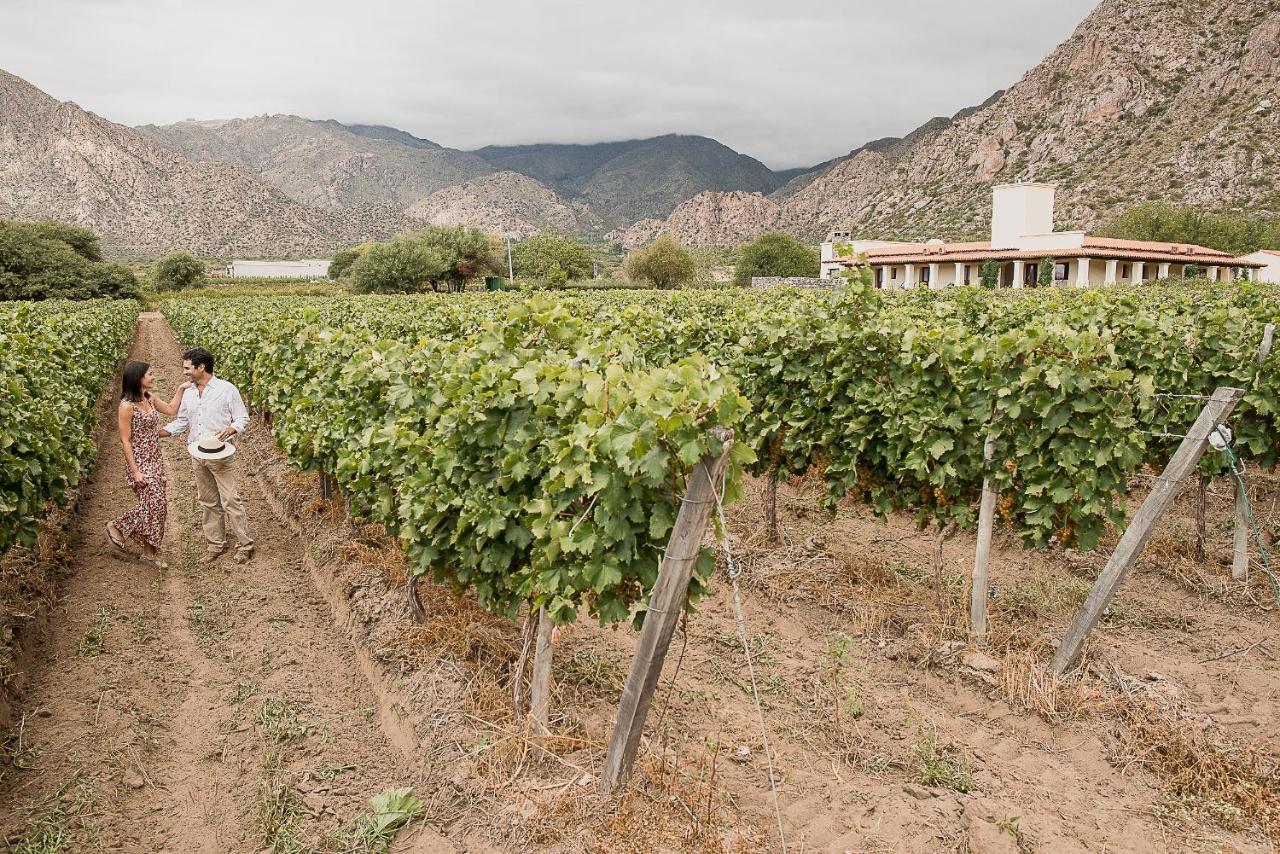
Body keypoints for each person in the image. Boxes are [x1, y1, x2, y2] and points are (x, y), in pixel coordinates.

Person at [158, 347, 254, 564]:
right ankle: (215, 544)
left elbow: (242, 419)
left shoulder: (227, 390)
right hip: (197, 453)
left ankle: (245, 545)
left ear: (201, 367)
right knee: (208, 501)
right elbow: (182, 422)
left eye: (187, 368)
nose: (184, 372)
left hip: (221, 455)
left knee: (230, 499)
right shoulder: (189, 392)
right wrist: (159, 434)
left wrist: (230, 430)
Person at [105, 361, 189, 570]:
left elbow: (170, 409)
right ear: (138, 378)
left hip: (155, 459)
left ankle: (148, 552)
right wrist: (135, 472)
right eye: (149, 374)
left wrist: (181, 389)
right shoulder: (126, 406)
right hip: (140, 462)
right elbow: (125, 440)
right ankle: (117, 526)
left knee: (157, 508)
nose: (153, 377)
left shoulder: (149, 398)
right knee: (155, 505)